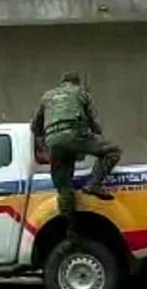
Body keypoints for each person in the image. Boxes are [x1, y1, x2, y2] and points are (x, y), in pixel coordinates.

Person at [30, 72, 122, 220]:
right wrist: (98, 139)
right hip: (75, 134)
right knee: (112, 151)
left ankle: (70, 230)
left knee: (64, 188)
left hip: (53, 140)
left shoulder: (47, 96)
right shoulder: (80, 92)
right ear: (77, 82)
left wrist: (45, 146)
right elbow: (93, 121)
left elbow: (35, 126)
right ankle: (94, 184)